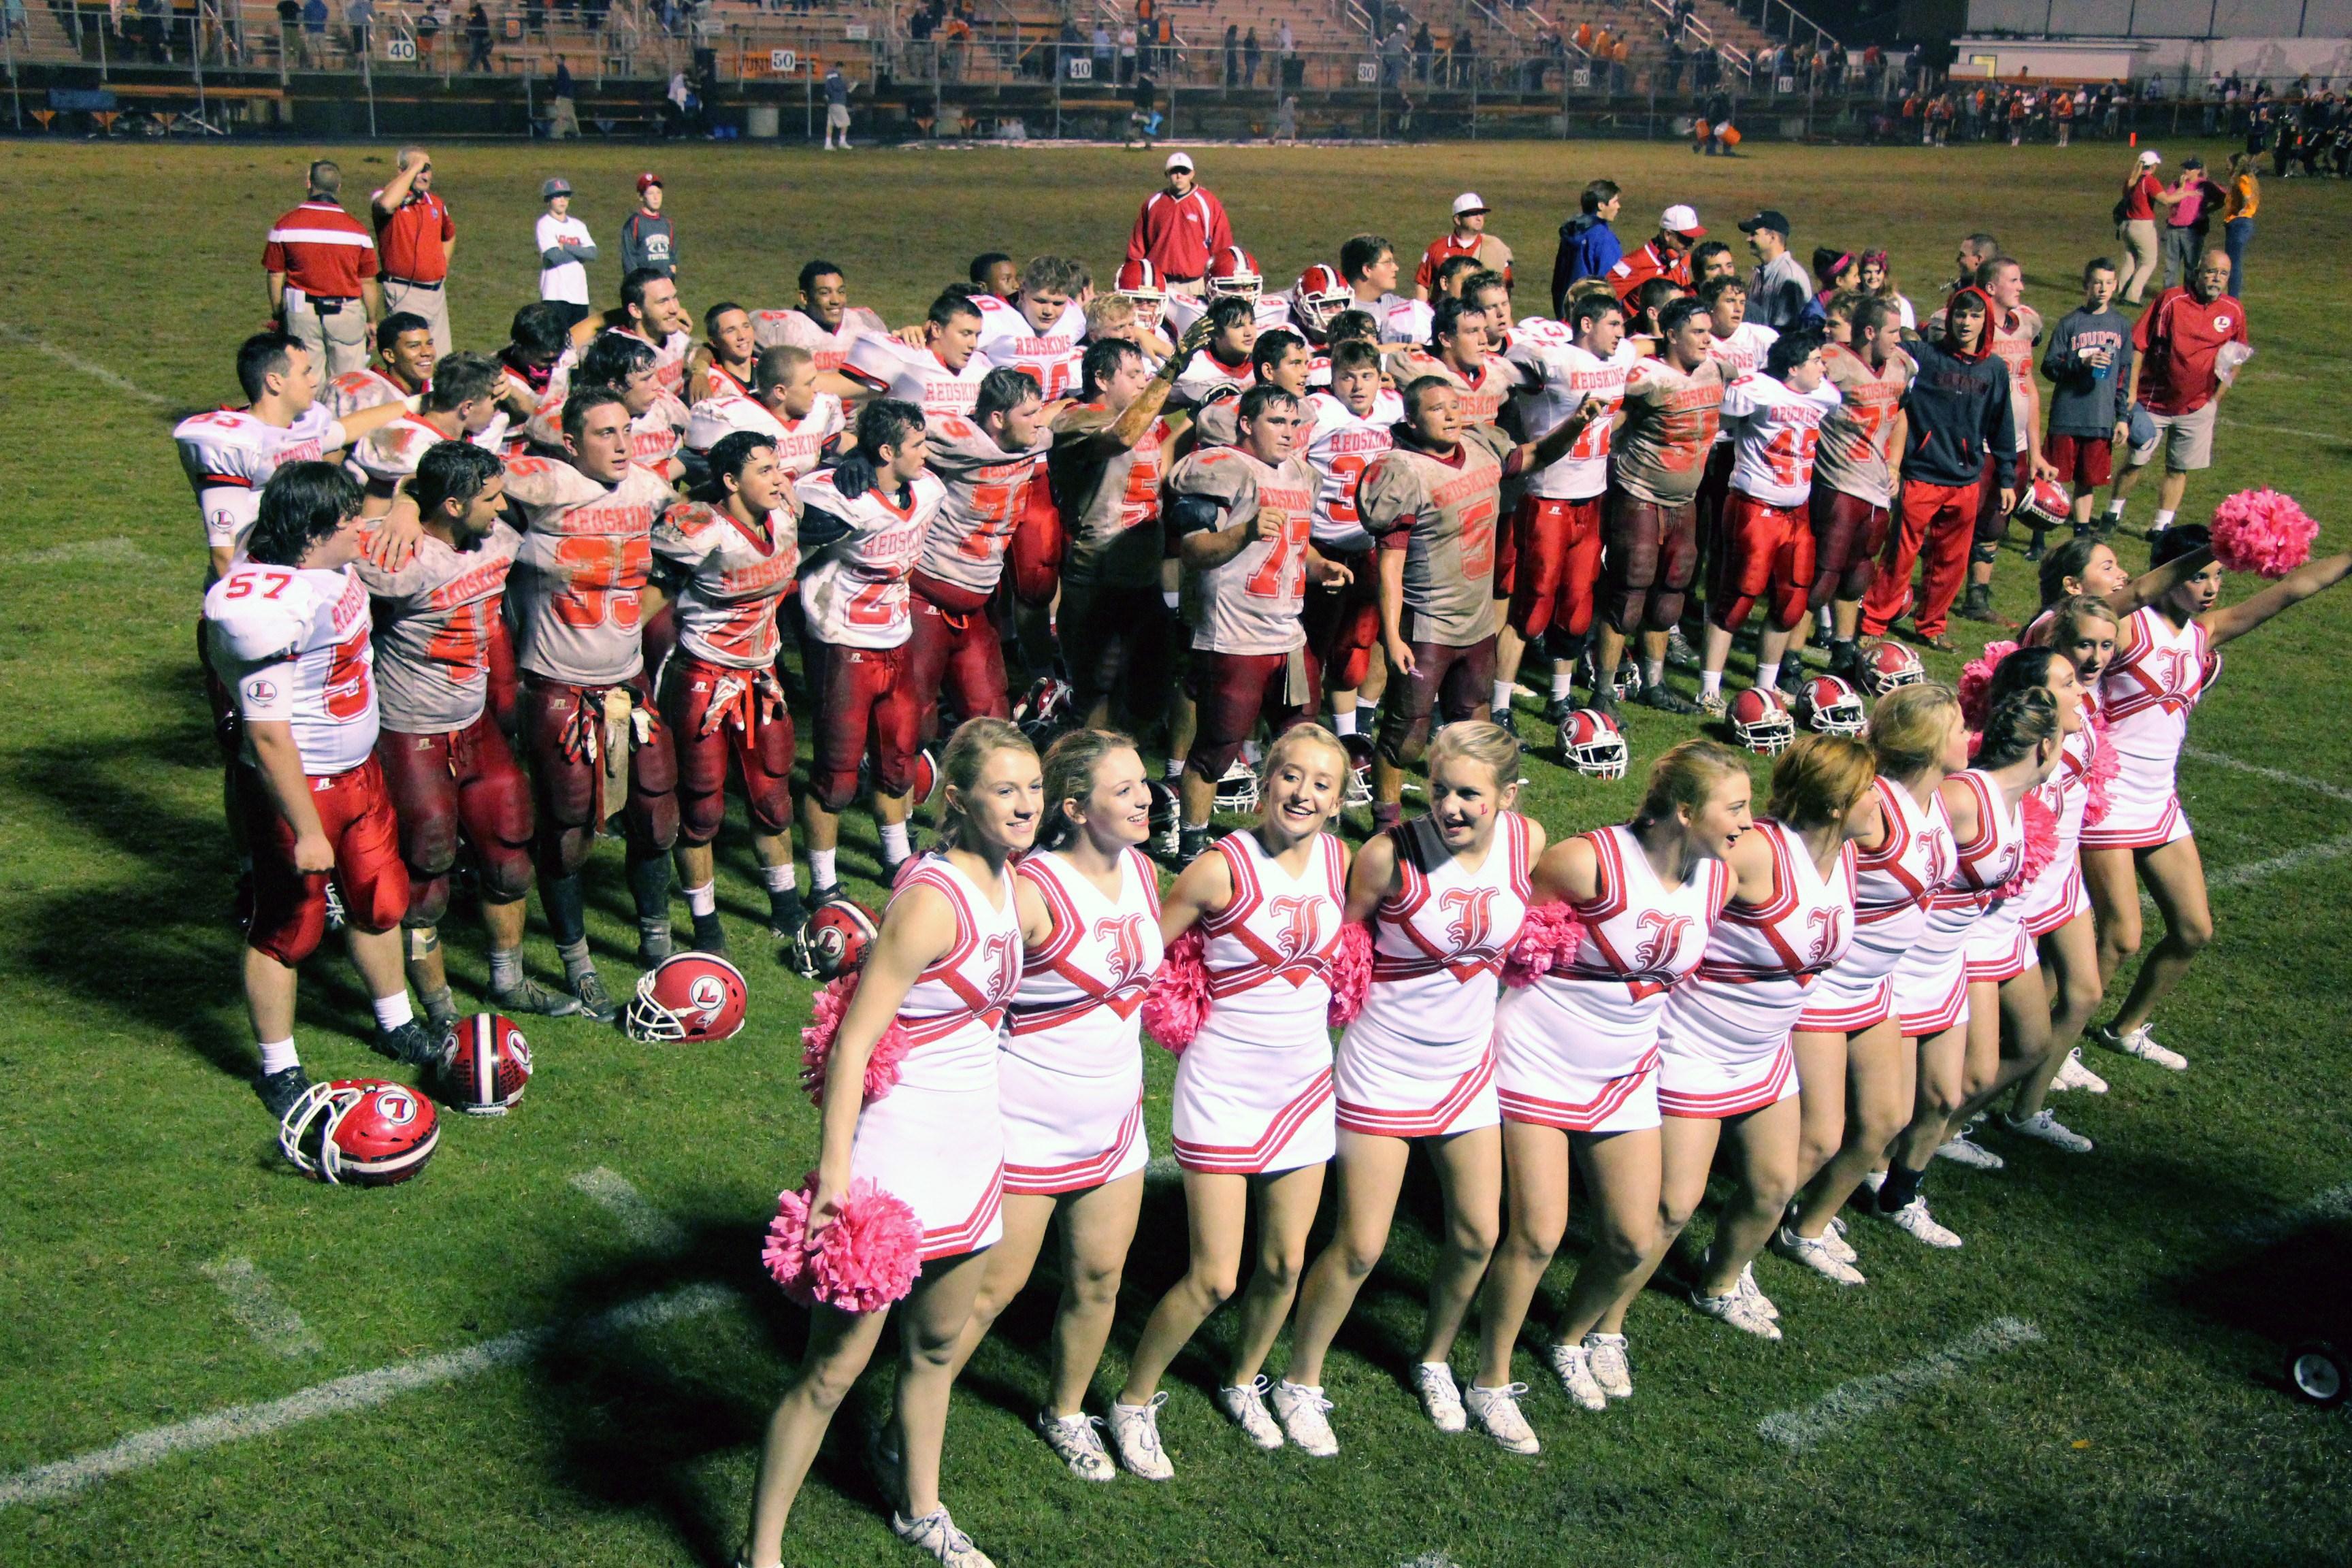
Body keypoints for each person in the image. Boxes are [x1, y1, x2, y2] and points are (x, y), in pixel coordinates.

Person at [738, 719, 1043, 1568]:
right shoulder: (930, 903)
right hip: (895, 1166)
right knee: (831, 1375)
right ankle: (761, 1555)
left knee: (938, 1350)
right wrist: (837, 1173)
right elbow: (852, 1044)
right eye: (1006, 790)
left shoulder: (1012, 886)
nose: (1025, 805)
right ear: (961, 801)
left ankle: (921, 1509)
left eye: (1034, 788)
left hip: (972, 1153)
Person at [1473, 741, 1746, 1445]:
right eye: (1735, 807)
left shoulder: (1720, 878)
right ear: (1684, 812)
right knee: (1538, 1233)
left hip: (1625, 1072)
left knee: (1632, 1237)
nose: (1748, 822)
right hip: (1537, 1057)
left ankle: (1570, 1340)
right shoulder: (1587, 862)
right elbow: (1500, 937)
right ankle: (1490, 1380)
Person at [1280, 721, 1542, 1450]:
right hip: (1384, 1068)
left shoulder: (1528, 843)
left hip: (1466, 1070)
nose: (1451, 806)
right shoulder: (1389, 855)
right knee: (1360, 1245)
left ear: (1508, 796)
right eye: (1440, 788)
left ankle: (1433, 1360)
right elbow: (1336, 941)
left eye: (1471, 794)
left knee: (1478, 1234)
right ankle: (1301, 1380)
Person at [1108, 725, 1352, 1475]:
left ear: (1339, 802)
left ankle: (1245, 1380)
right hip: (1222, 1088)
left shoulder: (1341, 863)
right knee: (1215, 1273)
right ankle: (1133, 1403)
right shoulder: (1221, 869)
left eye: (1321, 783)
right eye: (1289, 776)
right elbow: (1142, 954)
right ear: (1263, 777)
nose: (1302, 793)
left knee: (1283, 1262)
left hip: (1306, 1087)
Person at [924, 729, 1161, 1483]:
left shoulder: (1148, 874)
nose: (1145, 798)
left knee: (1100, 1279)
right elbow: (958, 978)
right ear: (1076, 808)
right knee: (992, 1292)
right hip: (1027, 1126)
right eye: (1122, 791)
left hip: (1116, 1123)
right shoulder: (1032, 890)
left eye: (1143, 785)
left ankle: (1065, 1411)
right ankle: (905, 1419)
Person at [204, 463, 438, 1124]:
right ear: (312, 533)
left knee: (380, 900)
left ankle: (394, 1021)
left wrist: (403, 509)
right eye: (348, 523)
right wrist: (306, 828)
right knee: (289, 928)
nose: (361, 530)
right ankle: (277, 1064)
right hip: (297, 787)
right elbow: (271, 735)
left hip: (358, 771)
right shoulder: (265, 609)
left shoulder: (313, 561)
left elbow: (387, 506)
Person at [2084, 527, 2352, 1071]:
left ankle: (2125, 1028)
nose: (2209, 588)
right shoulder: (2127, 627)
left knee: (2193, 930)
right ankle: (2056, 1044)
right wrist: (2210, 549)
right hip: (2107, 803)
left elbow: (2293, 591)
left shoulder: (2204, 635)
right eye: (2198, 575)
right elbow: (2127, 598)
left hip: (2161, 804)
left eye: (2218, 577)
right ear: (2168, 573)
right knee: (2119, 938)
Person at [1644, 734, 1876, 1337]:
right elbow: (1663, 880)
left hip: (1765, 1052)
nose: (1880, 802)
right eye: (1868, 792)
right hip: (1694, 1046)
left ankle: (1718, 1284)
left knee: (1774, 1186)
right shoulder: (1757, 854)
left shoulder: (1847, 855)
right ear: (1834, 806)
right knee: (1672, 1205)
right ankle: (1599, 1324)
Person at [358, 438, 580, 1034]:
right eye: (489, 496)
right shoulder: (395, 557)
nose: (501, 504)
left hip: (475, 724)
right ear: (453, 505)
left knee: (510, 854)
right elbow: (298, 541)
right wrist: (400, 508)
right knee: (427, 869)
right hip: (413, 730)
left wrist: (408, 496)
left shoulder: (499, 538)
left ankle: (507, 979)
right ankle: (437, 1009)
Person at [502, 388, 683, 1017]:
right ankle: (577, 962)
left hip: (628, 683)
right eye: (604, 433)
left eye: (626, 429)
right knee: (569, 830)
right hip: (557, 686)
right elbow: (455, 480)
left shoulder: (649, 488)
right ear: (572, 443)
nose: (622, 443)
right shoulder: (545, 482)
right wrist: (406, 512)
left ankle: (657, 945)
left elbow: (687, 526)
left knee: (658, 818)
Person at [1357, 370, 1602, 828]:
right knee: (1406, 736)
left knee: (1475, 726)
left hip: (1476, 622)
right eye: (1436, 408)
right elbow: (1390, 564)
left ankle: (1473, 811)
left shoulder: (1482, 447)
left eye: (1453, 405)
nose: (1450, 415)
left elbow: (1537, 454)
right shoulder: (1401, 471)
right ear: (1411, 421)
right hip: (1428, 621)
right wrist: (1391, 637)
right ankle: (1385, 821)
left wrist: (1577, 422)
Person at [1873, 689, 2055, 1248]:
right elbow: (1884, 836)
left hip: (1948, 964)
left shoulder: (2018, 802)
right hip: (1904, 966)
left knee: (1945, 1098)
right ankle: (1825, 1200)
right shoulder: (1963, 797)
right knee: (1883, 1114)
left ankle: (1899, 1196)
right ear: (2046, 747)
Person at [1162, 387, 1348, 860]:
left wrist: (1320, 565)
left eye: (1294, 424)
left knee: (1304, 744)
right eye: (1276, 422)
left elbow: (1294, 547)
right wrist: (1245, 530)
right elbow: (1193, 551)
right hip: (1234, 636)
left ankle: (1289, 839)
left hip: (1289, 635)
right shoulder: (1219, 466)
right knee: (1216, 750)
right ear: (1246, 423)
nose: (1289, 433)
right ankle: (1191, 844)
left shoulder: (1300, 473)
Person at [651, 431, 808, 950]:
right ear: (729, 480)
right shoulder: (702, 528)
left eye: (777, 466)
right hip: (703, 677)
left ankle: (787, 905)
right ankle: (705, 923)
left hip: (760, 675)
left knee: (773, 798)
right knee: (702, 809)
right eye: (762, 470)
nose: (777, 478)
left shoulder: (785, 516)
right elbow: (650, 583)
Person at [793, 399, 943, 898]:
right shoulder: (836, 496)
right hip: (844, 646)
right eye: (917, 444)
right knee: (836, 778)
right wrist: (841, 465)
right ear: (885, 450)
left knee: (898, 763)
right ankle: (823, 883)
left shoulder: (928, 490)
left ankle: (897, 858)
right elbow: (787, 501)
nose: (927, 453)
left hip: (896, 641)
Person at [1049, 325, 1209, 733]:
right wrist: (1171, 369)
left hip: (1143, 580)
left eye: (1145, 374)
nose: (1144, 382)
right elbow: (1120, 437)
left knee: (1149, 694)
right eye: (1134, 374)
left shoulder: (1147, 422)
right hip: (1097, 581)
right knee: (1098, 696)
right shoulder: (1076, 420)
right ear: (1101, 380)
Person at [1498, 289, 1636, 717]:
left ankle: (1560, 696)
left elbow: (1643, 346)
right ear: (1587, 325)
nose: (1621, 333)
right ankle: (1500, 704)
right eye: (1613, 324)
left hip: (1591, 498)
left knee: (1577, 607)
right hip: (1547, 497)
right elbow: (1509, 359)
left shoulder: (1622, 354)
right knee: (1532, 607)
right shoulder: (1552, 359)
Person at [1590, 297, 1725, 717]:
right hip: (1640, 494)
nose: (1707, 339)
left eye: (1708, 330)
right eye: (1697, 332)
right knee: (1630, 592)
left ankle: (1654, 683)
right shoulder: (1647, 376)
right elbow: (1610, 407)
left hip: (1685, 500)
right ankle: (1604, 690)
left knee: (1671, 594)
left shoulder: (1717, 367)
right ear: (1671, 336)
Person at [1859, 286, 2014, 653]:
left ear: (1986, 321)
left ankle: (1932, 626)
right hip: (1922, 474)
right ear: (1949, 316)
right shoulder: (1925, 356)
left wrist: (2007, 476)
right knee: (1899, 555)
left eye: (1975, 316)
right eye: (1960, 314)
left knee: (1951, 561)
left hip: (1965, 481)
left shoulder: (1995, 370)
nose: (1966, 322)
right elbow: (1887, 349)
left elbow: (2002, 425)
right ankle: (1874, 621)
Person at [1697, 325, 1840, 713]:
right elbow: (1721, 418)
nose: (1823, 368)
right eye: (1815, 361)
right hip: (1754, 506)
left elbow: (1829, 396)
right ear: (1792, 368)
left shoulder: (1824, 395)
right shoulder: (1756, 390)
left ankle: (1766, 687)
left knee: (1791, 603)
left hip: (1798, 513)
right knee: (1737, 598)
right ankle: (1709, 687)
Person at [906, 368, 1050, 741]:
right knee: (911, 717)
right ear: (998, 418)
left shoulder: (1035, 439)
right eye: (1029, 415)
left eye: (1040, 412)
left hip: (977, 597)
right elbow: (888, 435)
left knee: (994, 721)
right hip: (927, 591)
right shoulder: (955, 439)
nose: (1039, 423)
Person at [2107, 250, 2249, 538]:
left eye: (2223, 274)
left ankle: (2161, 526)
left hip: (2197, 408)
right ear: (2198, 271)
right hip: (2153, 402)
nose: (2216, 279)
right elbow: (2138, 345)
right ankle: (2113, 512)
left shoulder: (2233, 310)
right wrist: (2132, 392)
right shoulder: (2171, 300)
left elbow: (2237, 358)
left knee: (2178, 468)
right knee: (2135, 461)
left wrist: (2215, 400)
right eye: (2211, 272)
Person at [1809, 297, 1913, 681]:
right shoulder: (1831, 362)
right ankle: (1788, 659)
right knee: (1821, 577)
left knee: (1858, 574)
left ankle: (1842, 644)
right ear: (1869, 332)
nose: (1898, 339)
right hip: (1837, 482)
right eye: (1892, 331)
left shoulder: (1900, 365)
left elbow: (1901, 414)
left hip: (1877, 488)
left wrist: (1895, 463)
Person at [1946, 255, 2052, 620]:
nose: (2021, 287)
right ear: (1991, 288)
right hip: (1977, 444)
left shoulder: (2026, 322)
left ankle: (1977, 598)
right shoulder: (1969, 327)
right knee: (1957, 523)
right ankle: (1936, 594)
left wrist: (2036, 451)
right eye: (2014, 280)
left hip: (2016, 446)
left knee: (1994, 524)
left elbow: (2029, 388)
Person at [2039, 259, 2134, 536]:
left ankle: (2081, 531)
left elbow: (2123, 375)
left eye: (2108, 283)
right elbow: (2049, 367)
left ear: (2115, 286)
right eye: (2097, 282)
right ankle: (2038, 534)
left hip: (2100, 417)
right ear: (2086, 286)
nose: (2103, 289)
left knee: (2087, 480)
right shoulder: (2070, 323)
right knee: (2050, 477)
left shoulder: (2121, 325)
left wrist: (2122, 418)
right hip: (2067, 416)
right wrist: (2081, 361)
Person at [265, 161, 383, 381]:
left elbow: (275, 276)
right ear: (339, 187)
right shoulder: (358, 232)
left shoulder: (285, 226)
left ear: (309, 184)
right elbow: (368, 282)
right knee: (349, 384)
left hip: (301, 312)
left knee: (307, 380)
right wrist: (372, 320)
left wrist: (278, 314)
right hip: (345, 313)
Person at [687, 343, 847, 481]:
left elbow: (840, 442)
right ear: (781, 392)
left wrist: (859, 456)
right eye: (808, 384)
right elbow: (683, 464)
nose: (817, 389)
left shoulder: (819, 409)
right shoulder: (733, 419)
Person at [368, 148, 455, 358]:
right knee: (411, 359)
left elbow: (449, 235)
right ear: (402, 171)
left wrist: (442, 265)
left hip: (436, 293)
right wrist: (414, 166)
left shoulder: (435, 203)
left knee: (441, 360)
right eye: (418, 169)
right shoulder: (384, 197)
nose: (424, 175)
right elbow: (387, 204)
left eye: (427, 169)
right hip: (405, 291)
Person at [752, 258, 892, 374]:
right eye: (825, 293)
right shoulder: (785, 328)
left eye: (841, 292)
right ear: (805, 297)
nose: (836, 300)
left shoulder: (864, 322)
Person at [1126, 153, 1232, 298]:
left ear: (1192, 174)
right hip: (1160, 284)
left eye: (1184, 171)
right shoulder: (1153, 204)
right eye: (1174, 171)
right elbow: (1138, 246)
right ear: (1167, 174)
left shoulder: (1208, 202)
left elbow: (1222, 244)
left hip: (1197, 284)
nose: (1179, 176)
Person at [324, 310, 436, 421]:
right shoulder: (364, 395)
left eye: (429, 344)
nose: (427, 352)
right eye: (414, 346)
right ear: (390, 355)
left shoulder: (440, 387)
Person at [1604, 204, 1705, 314]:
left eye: (1693, 238)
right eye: (1686, 239)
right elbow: (1600, 296)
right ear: (1668, 235)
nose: (1692, 244)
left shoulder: (1684, 257)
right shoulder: (1633, 263)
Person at [1414, 192, 1515, 301]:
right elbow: (1423, 284)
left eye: (1481, 213)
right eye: (1473, 214)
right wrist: (1422, 314)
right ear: (1457, 219)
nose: (1479, 218)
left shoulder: (1495, 248)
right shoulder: (1437, 248)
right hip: (1442, 315)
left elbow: (1506, 288)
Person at [1550, 178, 1624, 310]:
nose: (1619, 207)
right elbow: (1612, 284)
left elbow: (1558, 282)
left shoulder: (1572, 233)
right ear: (1601, 205)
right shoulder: (1604, 239)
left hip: (1567, 312)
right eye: (1615, 202)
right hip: (1592, 314)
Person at [534, 178, 595, 329]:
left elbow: (593, 253)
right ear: (549, 200)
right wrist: (580, 253)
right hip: (555, 294)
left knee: (577, 344)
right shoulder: (545, 224)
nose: (562, 201)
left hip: (580, 296)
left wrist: (566, 247)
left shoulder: (578, 225)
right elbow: (554, 257)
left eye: (565, 196)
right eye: (557, 196)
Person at [1739, 210, 1813, 332]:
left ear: (1772, 237)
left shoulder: (1789, 276)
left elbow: (1788, 329)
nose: (1749, 239)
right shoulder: (1758, 275)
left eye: (1754, 234)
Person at [2115, 148, 2168, 305]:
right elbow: (2165, 200)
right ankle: (2132, 296)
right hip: (2142, 226)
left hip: (2127, 225)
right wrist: (2185, 194)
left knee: (2130, 260)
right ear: (2153, 167)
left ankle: (2122, 292)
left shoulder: (2132, 179)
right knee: (2148, 262)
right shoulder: (2149, 181)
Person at [2159, 156, 2216, 289]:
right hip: (2173, 229)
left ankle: (2189, 293)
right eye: (2185, 168)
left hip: (2192, 230)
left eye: (2190, 169)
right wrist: (2183, 187)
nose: (2186, 171)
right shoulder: (2176, 184)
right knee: (2171, 266)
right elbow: (2170, 200)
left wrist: (2207, 210)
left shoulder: (2205, 185)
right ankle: (2168, 293)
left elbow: (2221, 198)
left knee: (2192, 266)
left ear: (2198, 170)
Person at [618, 172, 676, 278]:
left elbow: (672, 254)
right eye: (650, 193)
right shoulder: (635, 222)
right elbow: (629, 258)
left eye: (658, 193)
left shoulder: (667, 223)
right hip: (645, 284)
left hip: (664, 283)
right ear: (641, 197)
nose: (656, 197)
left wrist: (671, 275)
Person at [2220, 152, 2259, 298]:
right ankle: (2233, 295)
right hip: (2245, 223)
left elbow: (2246, 196)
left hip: (2239, 223)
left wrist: (2239, 211)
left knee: (2233, 264)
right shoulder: (2251, 178)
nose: (2226, 166)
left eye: (2228, 164)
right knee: (2234, 262)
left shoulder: (2242, 179)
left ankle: (2233, 297)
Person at [1857, 248, 1914, 331]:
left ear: (1885, 273)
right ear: (1860, 274)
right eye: (1868, 272)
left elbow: (1907, 337)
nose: (1873, 277)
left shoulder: (1900, 305)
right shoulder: (1854, 302)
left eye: (1878, 272)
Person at [822, 61, 854, 150]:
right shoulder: (834, 75)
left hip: (832, 102)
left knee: (830, 124)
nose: (843, 71)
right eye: (843, 69)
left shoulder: (830, 76)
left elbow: (828, 88)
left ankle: (828, 144)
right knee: (846, 122)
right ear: (839, 68)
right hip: (838, 102)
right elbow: (837, 86)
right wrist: (848, 86)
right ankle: (842, 142)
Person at [549, 57, 580, 139]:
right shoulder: (564, 70)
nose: (556, 60)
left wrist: (558, 96)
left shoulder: (561, 70)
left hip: (564, 96)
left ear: (562, 60)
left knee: (561, 115)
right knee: (571, 115)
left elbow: (562, 84)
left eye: (557, 59)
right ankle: (576, 132)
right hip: (569, 96)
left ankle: (559, 133)